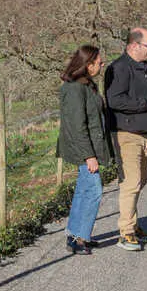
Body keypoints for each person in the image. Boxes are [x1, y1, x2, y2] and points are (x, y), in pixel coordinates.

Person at [104, 27, 147, 252]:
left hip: (146, 135)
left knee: (140, 183)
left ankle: (133, 225)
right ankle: (125, 232)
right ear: (134, 45)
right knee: (131, 183)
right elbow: (115, 101)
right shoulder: (119, 68)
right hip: (126, 133)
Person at [56, 45, 113, 255]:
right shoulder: (74, 89)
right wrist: (89, 155)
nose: (102, 64)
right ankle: (80, 238)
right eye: (99, 61)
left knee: (83, 191)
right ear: (88, 65)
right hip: (84, 150)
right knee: (94, 191)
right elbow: (77, 126)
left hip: (89, 147)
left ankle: (75, 234)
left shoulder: (87, 85)